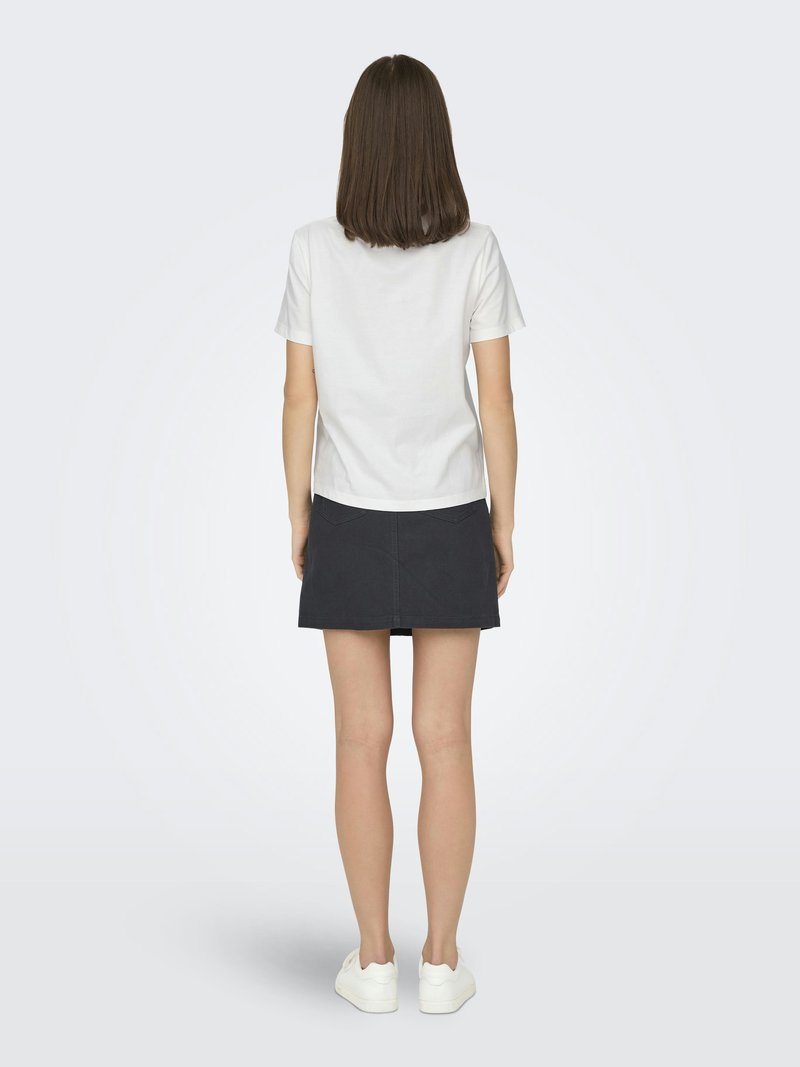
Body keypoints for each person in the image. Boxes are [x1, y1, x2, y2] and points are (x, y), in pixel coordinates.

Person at [274, 54, 525, 1014]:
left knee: (359, 740)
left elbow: (299, 396)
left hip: (346, 508)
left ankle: (374, 960)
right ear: (436, 144)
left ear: (358, 145)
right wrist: (505, 521)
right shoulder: (477, 251)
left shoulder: (312, 248)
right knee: (446, 740)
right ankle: (442, 963)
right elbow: (496, 402)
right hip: (451, 511)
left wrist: (299, 511)